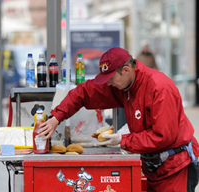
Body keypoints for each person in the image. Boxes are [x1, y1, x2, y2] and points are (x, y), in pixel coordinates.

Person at [38, 47, 199, 191]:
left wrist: (123, 140)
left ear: (126, 71)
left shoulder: (159, 88)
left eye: (110, 79)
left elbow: (163, 136)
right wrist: (56, 117)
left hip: (176, 167)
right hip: (155, 167)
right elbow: (84, 92)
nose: (108, 84)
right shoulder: (124, 86)